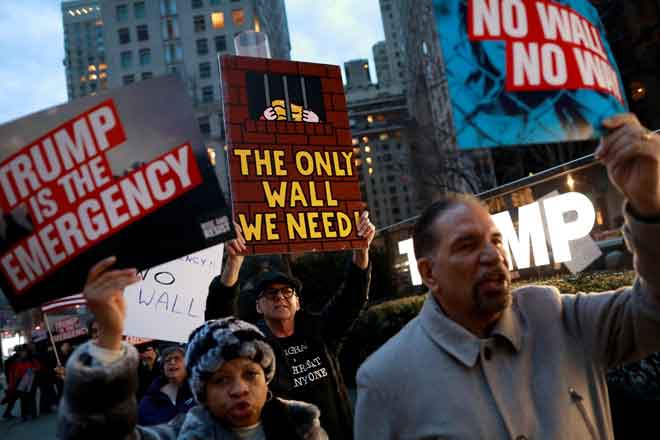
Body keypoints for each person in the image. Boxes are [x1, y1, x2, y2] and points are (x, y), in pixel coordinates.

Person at [354, 113, 660, 439]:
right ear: (429, 273)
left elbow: (653, 313)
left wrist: (649, 204)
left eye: (496, 239)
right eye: (467, 245)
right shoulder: (383, 382)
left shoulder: (563, 318)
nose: (492, 255)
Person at [57, 257, 327, 439]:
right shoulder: (182, 432)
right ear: (202, 391)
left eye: (250, 374)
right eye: (221, 379)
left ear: (266, 376)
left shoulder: (302, 426)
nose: (239, 389)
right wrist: (109, 337)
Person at [206, 211, 375, 440]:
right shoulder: (253, 349)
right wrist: (234, 263)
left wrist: (361, 249)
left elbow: (352, 299)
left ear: (297, 302)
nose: (280, 297)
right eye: (270, 293)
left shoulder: (320, 331)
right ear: (258, 306)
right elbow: (219, 326)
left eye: (287, 291)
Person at [138, 345, 195, 425]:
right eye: (167, 360)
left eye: (177, 358)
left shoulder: (199, 394)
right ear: (163, 368)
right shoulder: (149, 399)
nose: (172, 362)